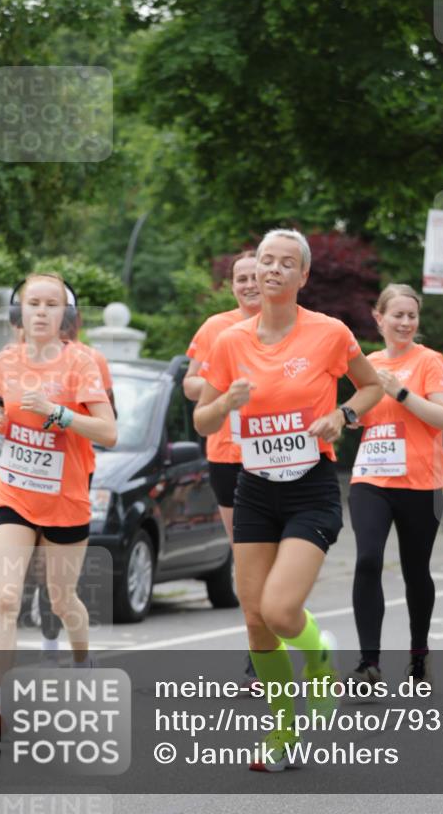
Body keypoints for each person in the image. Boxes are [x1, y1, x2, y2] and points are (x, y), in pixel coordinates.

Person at [194, 228, 382, 771]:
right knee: (254, 620)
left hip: (311, 489)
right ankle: (283, 731)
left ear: (303, 277)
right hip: (254, 489)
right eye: (264, 261)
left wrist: (343, 416)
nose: (272, 270)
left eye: (285, 263)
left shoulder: (329, 334)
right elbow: (204, 418)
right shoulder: (229, 342)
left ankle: (320, 657)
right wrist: (225, 400)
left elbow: (370, 387)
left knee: (280, 609)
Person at [0, 272, 117, 746]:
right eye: (32, 304)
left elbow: (108, 432)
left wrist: (58, 413)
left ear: (65, 315)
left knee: (62, 600)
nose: (40, 312)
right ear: (19, 314)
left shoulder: (82, 364)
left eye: (50, 304)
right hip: (14, 493)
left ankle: (82, 660)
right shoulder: (4, 363)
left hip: (66, 500)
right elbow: (4, 414)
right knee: (8, 598)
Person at [346, 284, 443, 689]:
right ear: (379, 318)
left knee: (415, 572)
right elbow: (357, 410)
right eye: (398, 315)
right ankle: (368, 664)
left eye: (412, 315)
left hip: (420, 482)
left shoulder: (429, 361)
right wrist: (353, 417)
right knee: (367, 559)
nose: (406, 322)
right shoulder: (366, 363)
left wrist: (402, 392)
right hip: (372, 479)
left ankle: (418, 655)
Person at [183, 250, 261, 687]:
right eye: (241, 278)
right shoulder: (217, 327)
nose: (249, 284)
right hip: (229, 455)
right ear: (232, 285)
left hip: (279, 455)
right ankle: (258, 656)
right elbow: (191, 384)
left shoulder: (286, 327)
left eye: (255, 276)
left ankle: (281, 635)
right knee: (246, 558)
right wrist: (222, 386)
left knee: (273, 559)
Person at [36, 297, 117, 655]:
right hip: (32, 474)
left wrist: (61, 417)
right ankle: (50, 638)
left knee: (52, 567)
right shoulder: (26, 357)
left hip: (72, 471)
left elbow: (108, 419)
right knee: (42, 565)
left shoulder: (90, 359)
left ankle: (55, 638)